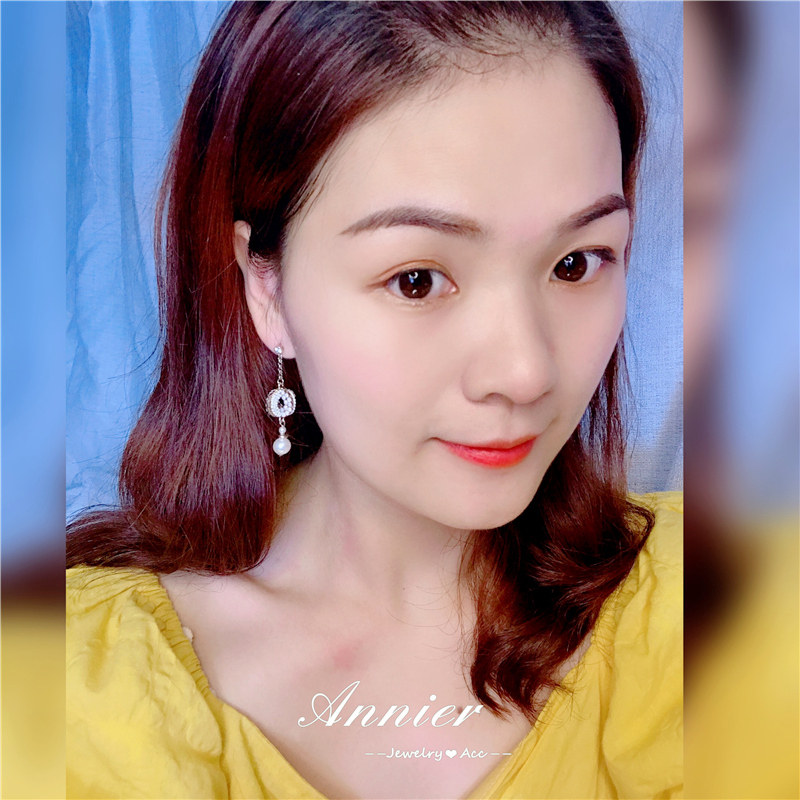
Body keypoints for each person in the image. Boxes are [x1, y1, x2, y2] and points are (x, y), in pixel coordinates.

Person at [66, 3, 682, 798]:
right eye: (416, 279)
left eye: (577, 263)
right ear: (267, 289)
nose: (525, 372)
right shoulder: (75, 682)